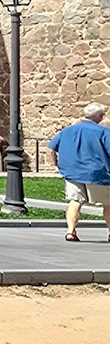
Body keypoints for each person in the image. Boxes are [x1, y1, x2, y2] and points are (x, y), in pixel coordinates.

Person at [48, 103, 110, 241]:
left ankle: (70, 231)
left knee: (75, 201)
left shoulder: (67, 131)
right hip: (97, 173)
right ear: (99, 116)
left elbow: (51, 148)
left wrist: (55, 165)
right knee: (108, 204)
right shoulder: (104, 132)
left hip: (71, 171)